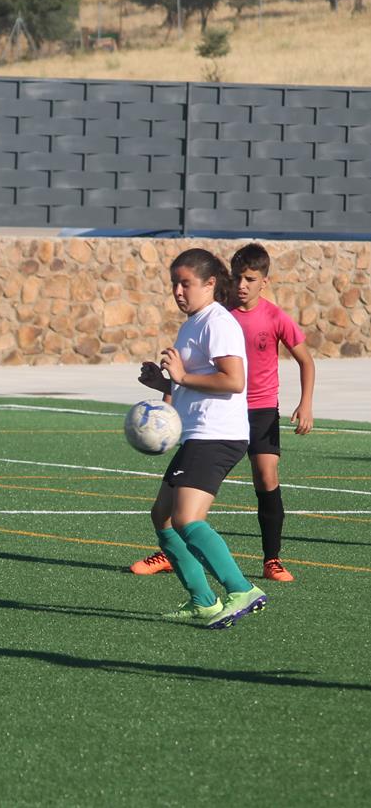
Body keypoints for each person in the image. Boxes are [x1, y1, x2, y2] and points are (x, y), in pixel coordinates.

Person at [133, 248, 267, 628]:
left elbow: (233, 380)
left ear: (210, 284)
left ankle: (242, 589)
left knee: (187, 519)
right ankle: (203, 600)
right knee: (162, 516)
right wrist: (163, 383)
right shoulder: (192, 322)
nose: (178, 290)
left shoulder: (217, 322)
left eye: (185, 283)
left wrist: (181, 376)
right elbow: (187, 383)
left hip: (218, 434)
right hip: (196, 434)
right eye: (174, 283)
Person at [230, 242, 315, 582]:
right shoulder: (220, 313)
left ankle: (272, 560)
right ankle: (171, 550)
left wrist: (305, 403)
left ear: (264, 281)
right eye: (237, 277)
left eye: (250, 278)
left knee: (266, 477)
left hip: (263, 408)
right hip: (224, 407)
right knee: (198, 479)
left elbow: (306, 360)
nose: (242, 285)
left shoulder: (275, 317)